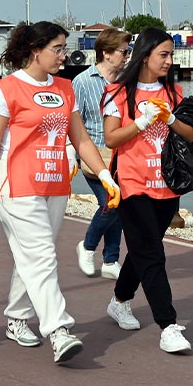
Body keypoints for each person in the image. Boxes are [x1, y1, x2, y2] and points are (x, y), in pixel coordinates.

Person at [0, 22, 119, 365]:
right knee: (43, 257)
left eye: (65, 48)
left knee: (32, 256)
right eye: (58, 49)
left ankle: (17, 317)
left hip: (54, 184)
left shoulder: (65, 88)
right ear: (36, 50)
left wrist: (106, 174)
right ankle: (59, 330)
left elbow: (79, 138)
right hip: (16, 186)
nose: (65, 55)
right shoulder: (6, 90)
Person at [100, 27, 193, 354]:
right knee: (153, 255)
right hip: (132, 184)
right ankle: (168, 326)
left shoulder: (176, 93)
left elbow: (190, 136)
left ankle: (119, 300)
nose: (170, 61)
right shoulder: (117, 93)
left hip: (167, 186)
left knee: (145, 249)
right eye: (164, 55)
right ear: (145, 56)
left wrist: (169, 118)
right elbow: (111, 139)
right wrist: (140, 123)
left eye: (171, 55)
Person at [71, 27, 131, 280]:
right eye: (123, 51)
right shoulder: (83, 82)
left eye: (129, 51)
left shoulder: (126, 81)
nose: (127, 56)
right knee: (111, 202)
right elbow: (73, 122)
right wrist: (72, 155)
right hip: (94, 152)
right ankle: (87, 245)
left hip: (123, 152)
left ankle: (110, 260)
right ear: (106, 53)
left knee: (119, 205)